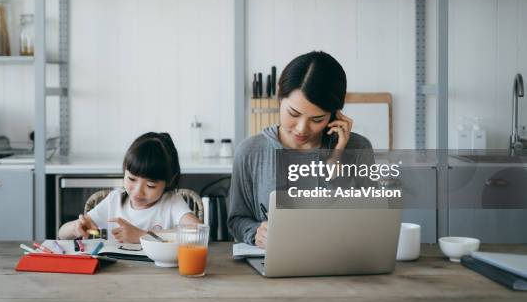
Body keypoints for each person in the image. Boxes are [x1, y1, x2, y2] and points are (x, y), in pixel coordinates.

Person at [228, 51, 375, 248]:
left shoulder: (358, 149)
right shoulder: (249, 152)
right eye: (293, 113)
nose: (301, 129)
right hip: (274, 266)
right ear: (280, 97)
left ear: (335, 114)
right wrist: (256, 233)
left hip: (342, 264)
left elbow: (372, 219)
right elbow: (237, 219)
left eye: (317, 119)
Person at [58, 132, 201, 243]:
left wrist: (142, 236)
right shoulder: (114, 201)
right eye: (131, 179)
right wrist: (76, 227)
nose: (138, 191)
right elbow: (61, 234)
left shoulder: (171, 202)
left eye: (150, 185)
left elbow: (198, 231)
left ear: (169, 181)